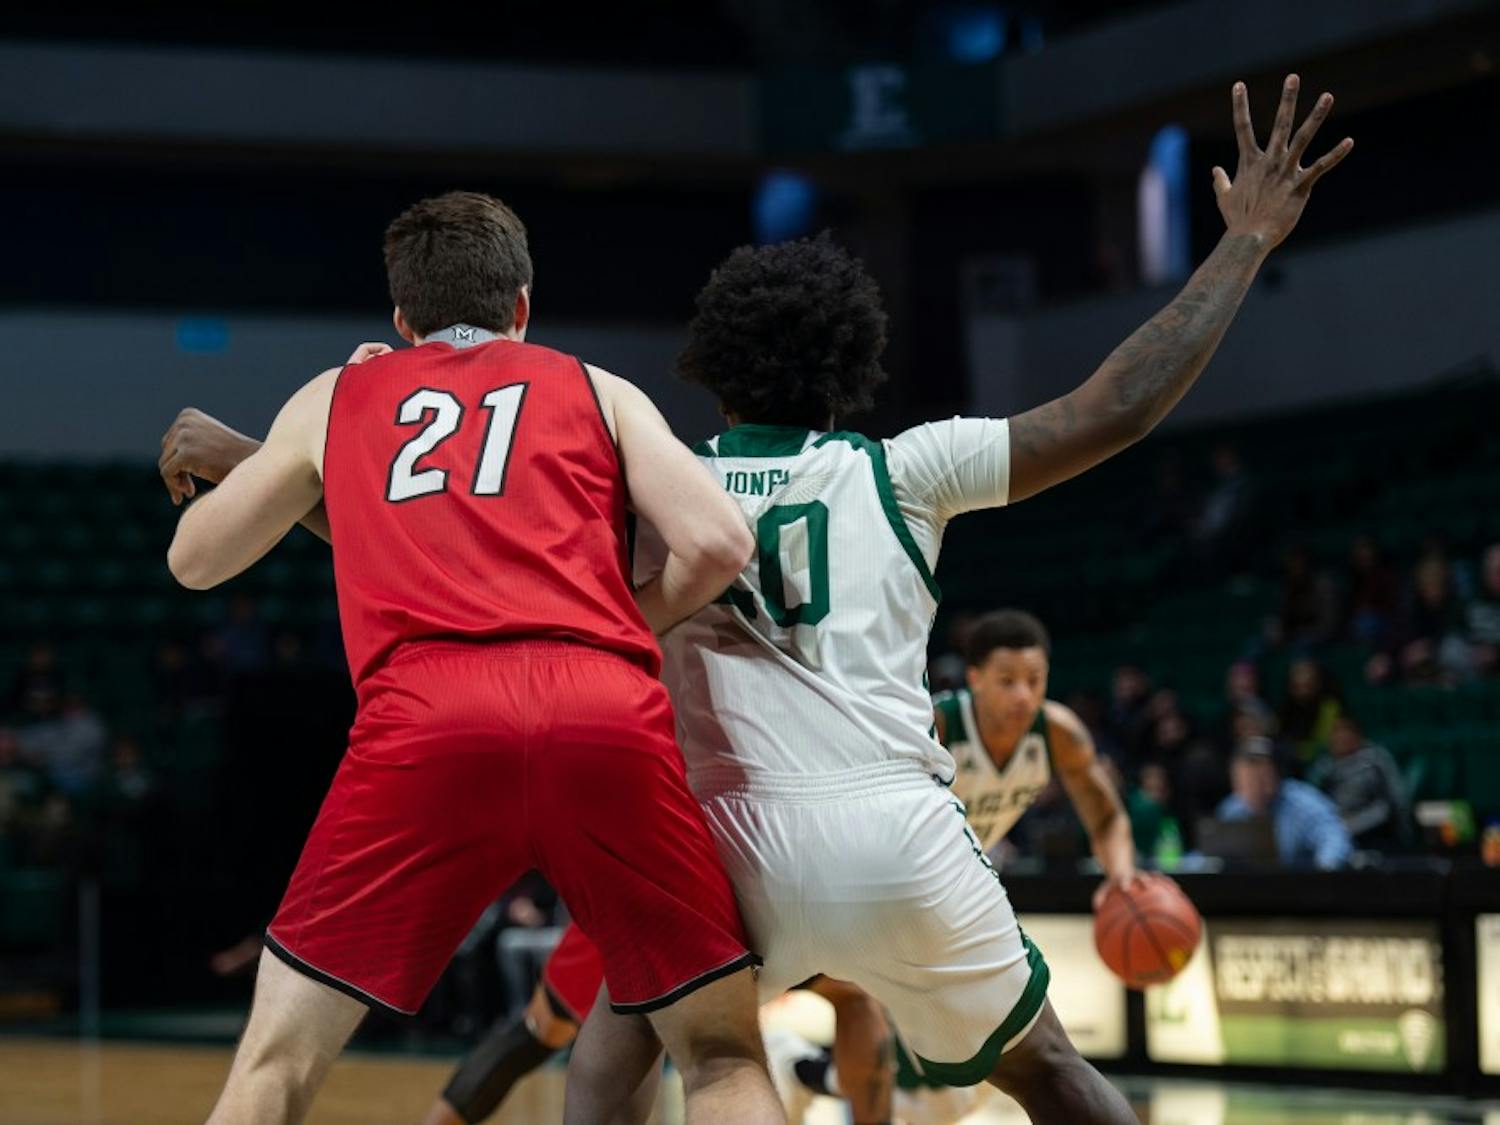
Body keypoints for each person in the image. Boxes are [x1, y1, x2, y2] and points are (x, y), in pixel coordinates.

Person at [567, 74, 1352, 1125]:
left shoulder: (661, 484)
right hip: (899, 832)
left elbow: (473, 552)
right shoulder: (907, 470)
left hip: (730, 842)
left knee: (623, 1057)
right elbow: (1114, 406)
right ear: (853, 364)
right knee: (1054, 1076)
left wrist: (289, 463)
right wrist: (1244, 241)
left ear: (715, 368)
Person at [162, 191, 781, 1125]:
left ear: (401, 318)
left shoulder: (339, 393)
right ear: (523, 304)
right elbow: (720, 545)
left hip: (427, 719)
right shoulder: (598, 386)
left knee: (277, 1062)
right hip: (601, 705)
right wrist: (618, 619)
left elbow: (196, 562)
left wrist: (276, 461)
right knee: (724, 1054)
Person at [1215, 737, 1352, 869]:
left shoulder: (1303, 803)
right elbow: (1209, 855)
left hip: (1300, 886)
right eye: (1246, 781)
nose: (1254, 789)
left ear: (1277, 775)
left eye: (1261, 779)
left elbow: (1335, 839)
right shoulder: (1231, 809)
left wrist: (1323, 873)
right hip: (1248, 888)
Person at [1309, 715, 1409, 850]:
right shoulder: (1323, 766)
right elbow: (1313, 802)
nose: (1339, 738)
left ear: (1357, 736)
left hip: (1374, 829)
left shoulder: (1376, 759)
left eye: (1345, 732)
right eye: (1335, 732)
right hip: (1334, 830)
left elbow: (1395, 799)